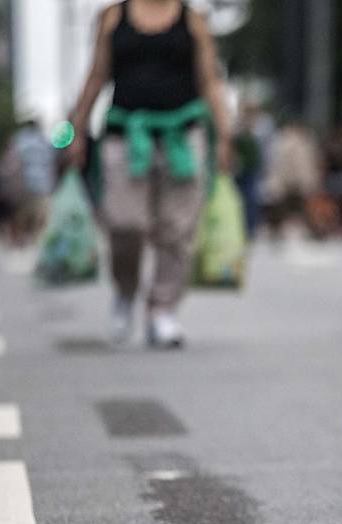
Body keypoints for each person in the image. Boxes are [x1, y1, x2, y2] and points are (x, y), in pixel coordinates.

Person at [67, 0, 232, 347]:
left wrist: (224, 136)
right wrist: (77, 128)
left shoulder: (193, 20)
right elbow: (96, 75)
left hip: (183, 136)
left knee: (177, 229)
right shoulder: (113, 17)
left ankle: (162, 309)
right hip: (126, 133)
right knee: (125, 222)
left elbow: (210, 81)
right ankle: (126, 292)